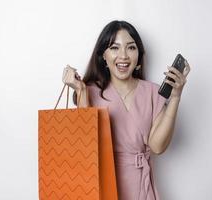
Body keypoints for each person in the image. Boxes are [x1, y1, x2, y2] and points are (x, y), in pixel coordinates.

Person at [62, 20, 190, 200]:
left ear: (138, 55)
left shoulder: (152, 92)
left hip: (140, 187)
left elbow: (157, 146)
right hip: (101, 186)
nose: (123, 55)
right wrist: (81, 90)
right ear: (103, 56)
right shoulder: (90, 91)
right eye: (114, 48)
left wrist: (176, 96)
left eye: (131, 48)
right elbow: (86, 147)